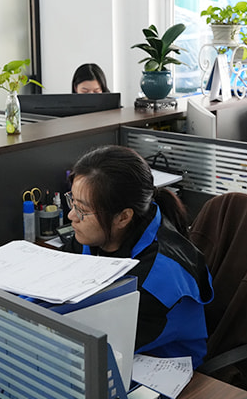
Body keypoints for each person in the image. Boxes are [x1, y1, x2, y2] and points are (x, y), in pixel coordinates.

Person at [62, 145, 213, 368]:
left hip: (163, 368)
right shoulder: (93, 236)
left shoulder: (160, 275)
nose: (71, 216)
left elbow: (104, 344)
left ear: (123, 217)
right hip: (116, 353)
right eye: (72, 202)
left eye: (82, 209)